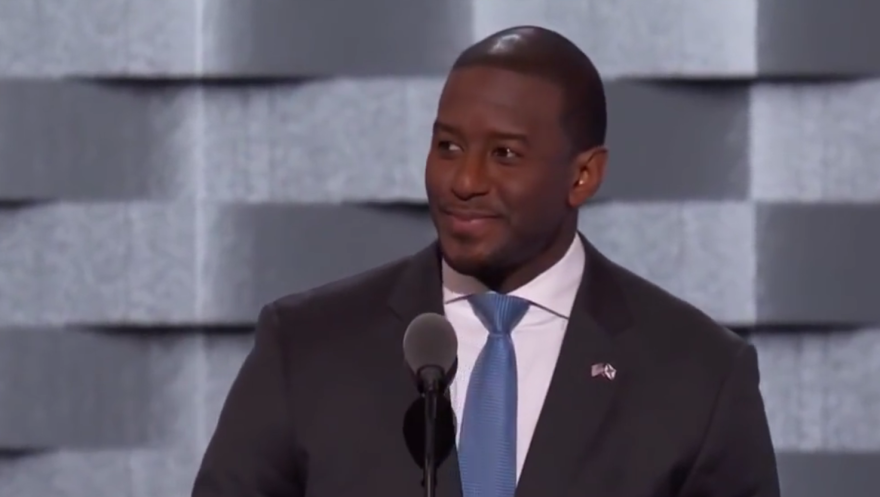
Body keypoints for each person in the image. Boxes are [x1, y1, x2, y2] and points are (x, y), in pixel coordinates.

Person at [192, 26, 780, 497]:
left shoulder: (697, 376)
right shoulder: (306, 347)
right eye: (448, 146)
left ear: (583, 174)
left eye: (504, 154)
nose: (464, 181)